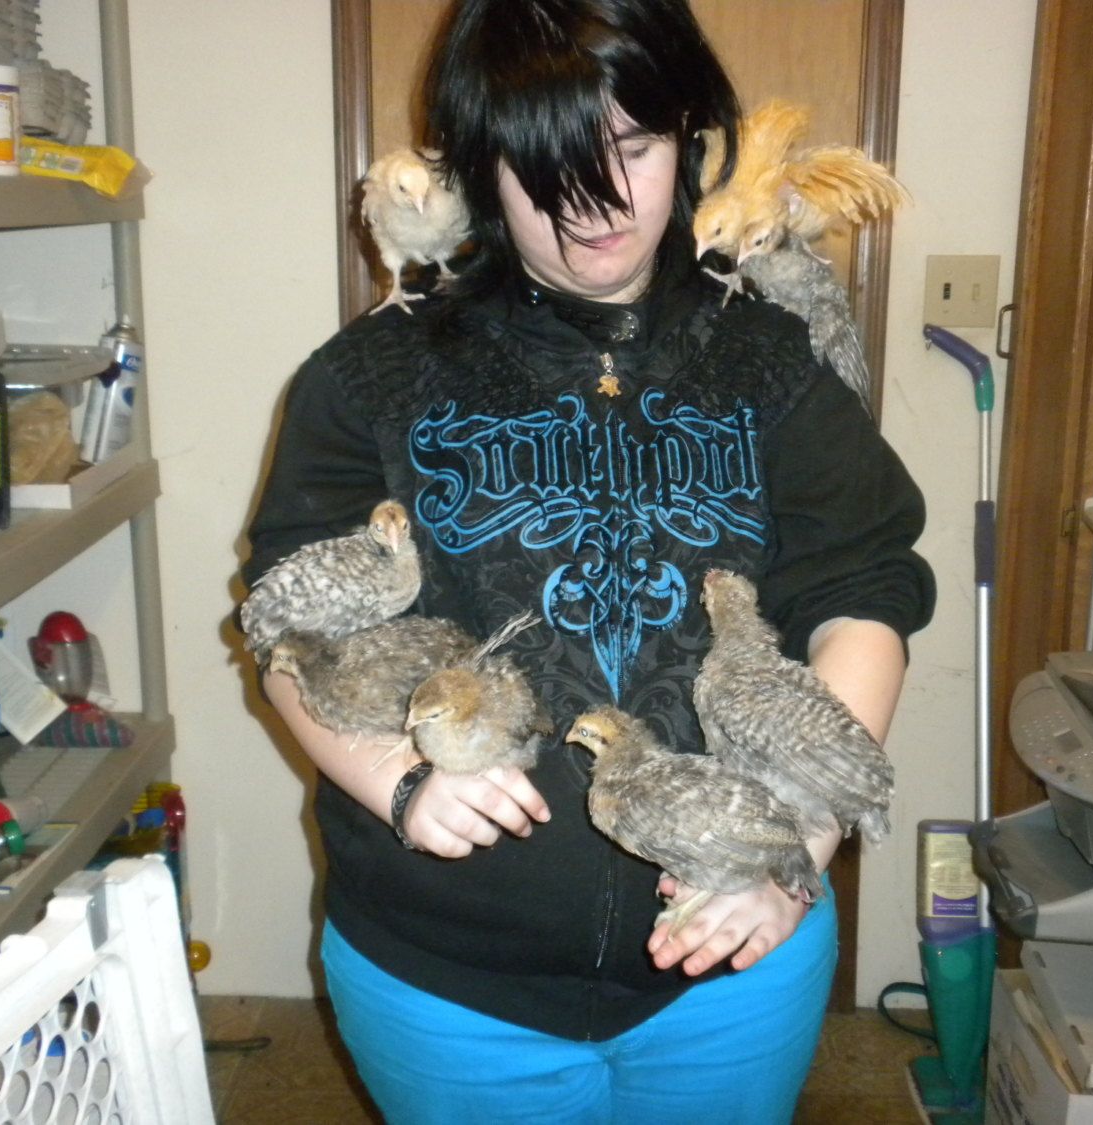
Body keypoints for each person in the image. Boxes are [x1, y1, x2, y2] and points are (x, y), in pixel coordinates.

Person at [241, 0, 935, 1120]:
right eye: (544, 166)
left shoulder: (772, 359)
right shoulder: (370, 373)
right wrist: (397, 781)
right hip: (445, 980)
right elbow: (287, 631)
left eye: (635, 148)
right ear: (480, 164)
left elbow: (864, 595)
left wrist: (790, 850)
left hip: (735, 957)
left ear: (689, 132)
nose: (598, 206)